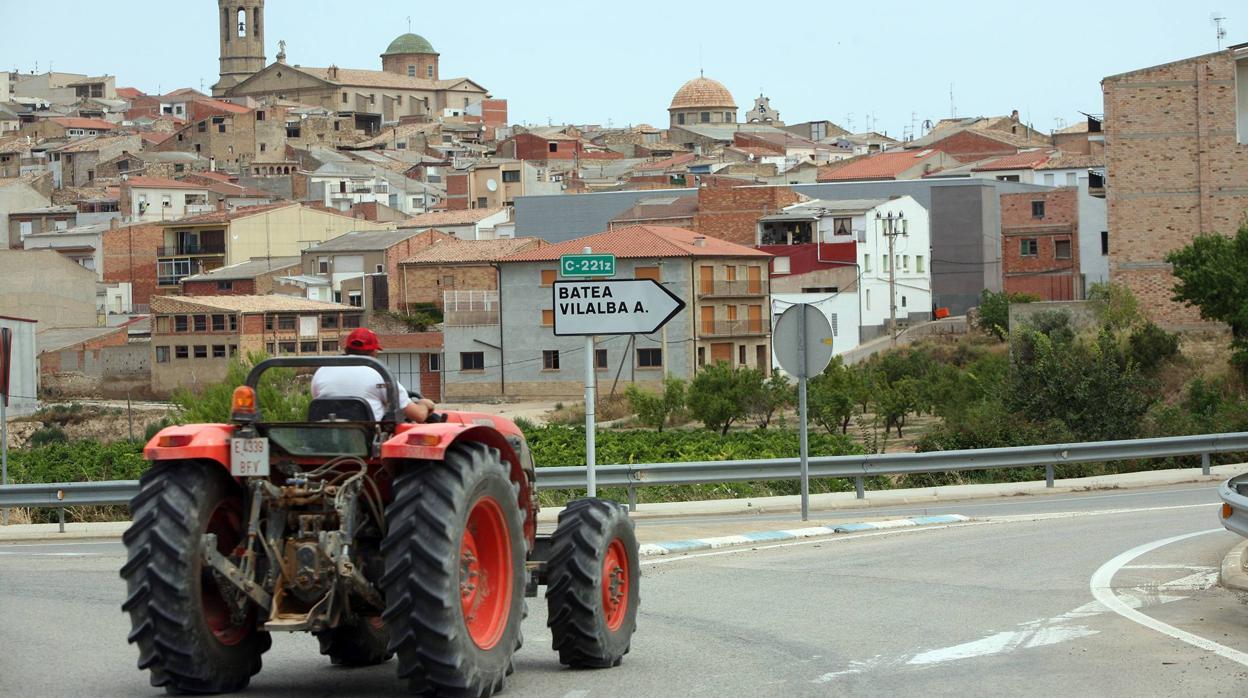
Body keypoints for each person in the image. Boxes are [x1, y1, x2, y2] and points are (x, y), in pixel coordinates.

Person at [311, 327, 436, 422]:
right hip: (368, 444)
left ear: (346, 349)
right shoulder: (380, 374)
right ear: (374, 352)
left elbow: (318, 402)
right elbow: (418, 415)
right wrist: (424, 404)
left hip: (325, 441)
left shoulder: (322, 370)